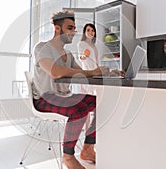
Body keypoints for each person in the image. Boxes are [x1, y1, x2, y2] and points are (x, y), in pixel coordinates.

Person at [32, 9, 110, 169]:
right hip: (44, 98)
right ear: (57, 28)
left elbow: (82, 74)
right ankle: (68, 156)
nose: (74, 32)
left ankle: (88, 148)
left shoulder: (68, 54)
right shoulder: (42, 48)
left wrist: (105, 71)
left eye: (74, 28)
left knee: (102, 103)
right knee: (78, 109)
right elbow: (55, 71)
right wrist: (90, 72)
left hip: (64, 96)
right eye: (70, 28)